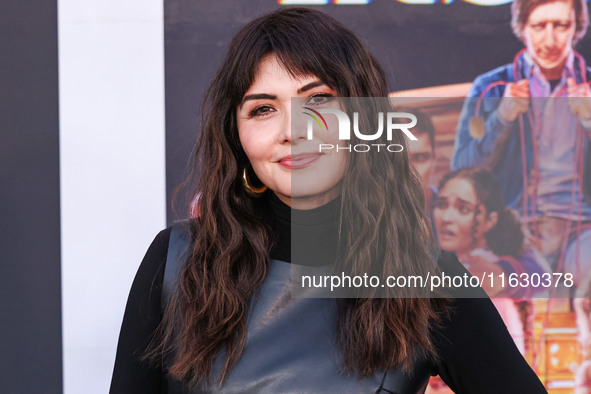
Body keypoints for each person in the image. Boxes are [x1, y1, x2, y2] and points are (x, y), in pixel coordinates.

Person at [110, 8, 546, 393]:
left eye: (318, 100)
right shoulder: (176, 262)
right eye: (263, 109)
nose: (293, 130)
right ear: (237, 136)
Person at [451, 0, 591, 286]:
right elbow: (463, 169)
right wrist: (501, 118)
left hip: (581, 232)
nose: (550, 40)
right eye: (539, 26)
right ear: (522, 28)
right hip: (510, 233)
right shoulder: (491, 86)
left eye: (561, 25)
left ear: (577, 27)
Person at [433, 167, 550, 354]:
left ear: (490, 220)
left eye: (463, 208)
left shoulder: (490, 279)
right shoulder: (450, 264)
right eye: (441, 204)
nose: (446, 218)